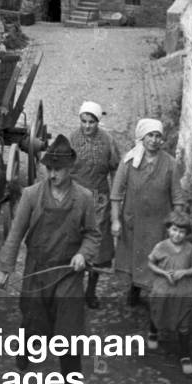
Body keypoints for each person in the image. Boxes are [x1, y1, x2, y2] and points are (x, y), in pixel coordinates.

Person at [0, 134, 100, 384]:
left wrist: (83, 254)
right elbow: (15, 233)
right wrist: (5, 267)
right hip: (36, 271)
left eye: (59, 169)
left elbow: (92, 234)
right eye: (49, 169)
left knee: (68, 337)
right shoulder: (31, 195)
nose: (53, 174)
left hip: (68, 274)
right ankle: (29, 345)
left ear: (70, 169)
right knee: (32, 318)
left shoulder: (84, 198)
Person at [110, 118, 184, 314]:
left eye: (158, 136)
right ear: (142, 138)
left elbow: (177, 196)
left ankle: (156, 296)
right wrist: (115, 220)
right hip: (134, 220)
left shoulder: (170, 164)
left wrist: (177, 222)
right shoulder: (129, 161)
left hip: (160, 223)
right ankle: (134, 288)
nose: (154, 140)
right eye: (150, 135)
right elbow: (116, 193)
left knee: (158, 257)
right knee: (135, 255)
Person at [68, 100, 120, 309]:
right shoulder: (72, 139)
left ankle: (90, 291)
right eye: (84, 121)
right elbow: (63, 168)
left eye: (92, 122)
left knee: (96, 246)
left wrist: (116, 195)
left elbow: (116, 168)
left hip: (99, 198)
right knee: (74, 242)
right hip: (76, 198)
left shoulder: (108, 141)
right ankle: (73, 290)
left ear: (98, 122)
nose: (87, 126)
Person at [148, 211, 192, 374]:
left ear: (186, 234)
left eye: (182, 232)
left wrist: (184, 272)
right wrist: (163, 273)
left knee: (183, 321)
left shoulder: (190, 249)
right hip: (163, 288)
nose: (177, 235)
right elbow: (151, 263)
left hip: (183, 290)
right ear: (168, 230)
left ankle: (185, 355)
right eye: (174, 230)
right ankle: (153, 331)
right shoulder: (161, 247)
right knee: (158, 310)